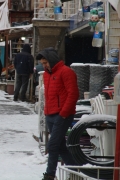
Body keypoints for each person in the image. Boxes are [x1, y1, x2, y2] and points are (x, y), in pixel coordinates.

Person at [38, 47, 79, 180]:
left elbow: (73, 94)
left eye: (46, 63)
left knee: (53, 145)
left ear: (52, 60)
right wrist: (46, 112)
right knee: (60, 147)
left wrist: (64, 113)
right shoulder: (46, 74)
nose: (44, 66)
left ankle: (49, 175)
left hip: (62, 115)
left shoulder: (66, 72)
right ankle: (76, 172)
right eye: (42, 63)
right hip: (50, 114)